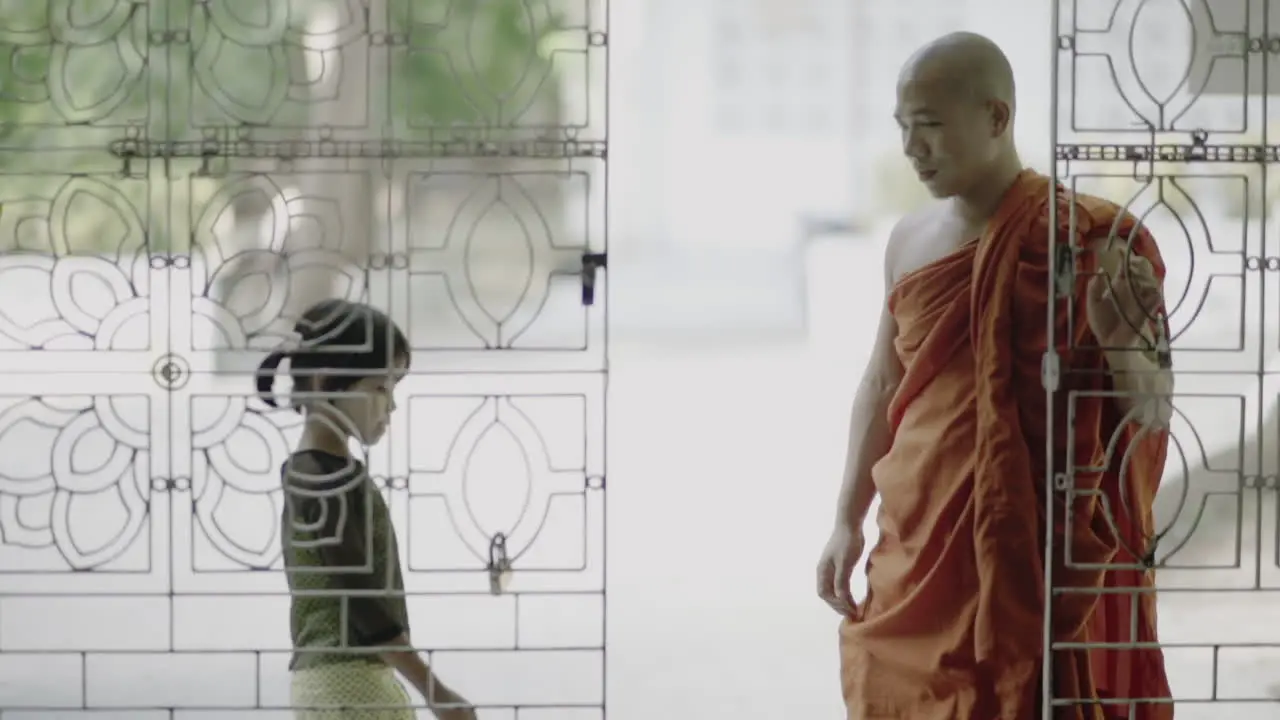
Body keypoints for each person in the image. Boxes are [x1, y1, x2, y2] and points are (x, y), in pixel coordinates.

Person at [815, 32, 1176, 720]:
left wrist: (1119, 343)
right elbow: (881, 384)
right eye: (902, 128)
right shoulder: (908, 240)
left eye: (930, 127)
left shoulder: (1094, 239)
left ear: (996, 118)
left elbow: (1153, 413)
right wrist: (845, 518)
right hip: (919, 545)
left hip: (1037, 555)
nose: (912, 148)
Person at [257, 299, 477, 720]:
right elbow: (361, 598)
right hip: (349, 686)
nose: (390, 406)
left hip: (342, 684)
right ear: (325, 384)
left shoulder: (324, 472)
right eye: (380, 388)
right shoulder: (321, 478)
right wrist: (437, 693)